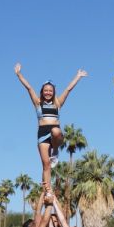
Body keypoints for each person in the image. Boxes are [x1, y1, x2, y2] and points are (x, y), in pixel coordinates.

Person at [14, 62, 87, 191]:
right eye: (46, 90)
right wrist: (19, 74)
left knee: (56, 131)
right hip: (42, 133)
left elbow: (68, 89)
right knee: (46, 165)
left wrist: (78, 76)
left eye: (50, 91)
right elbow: (29, 88)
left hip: (54, 132)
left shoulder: (58, 103)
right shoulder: (38, 103)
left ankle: (55, 150)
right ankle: (47, 190)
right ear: (42, 91)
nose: (48, 92)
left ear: (53, 92)